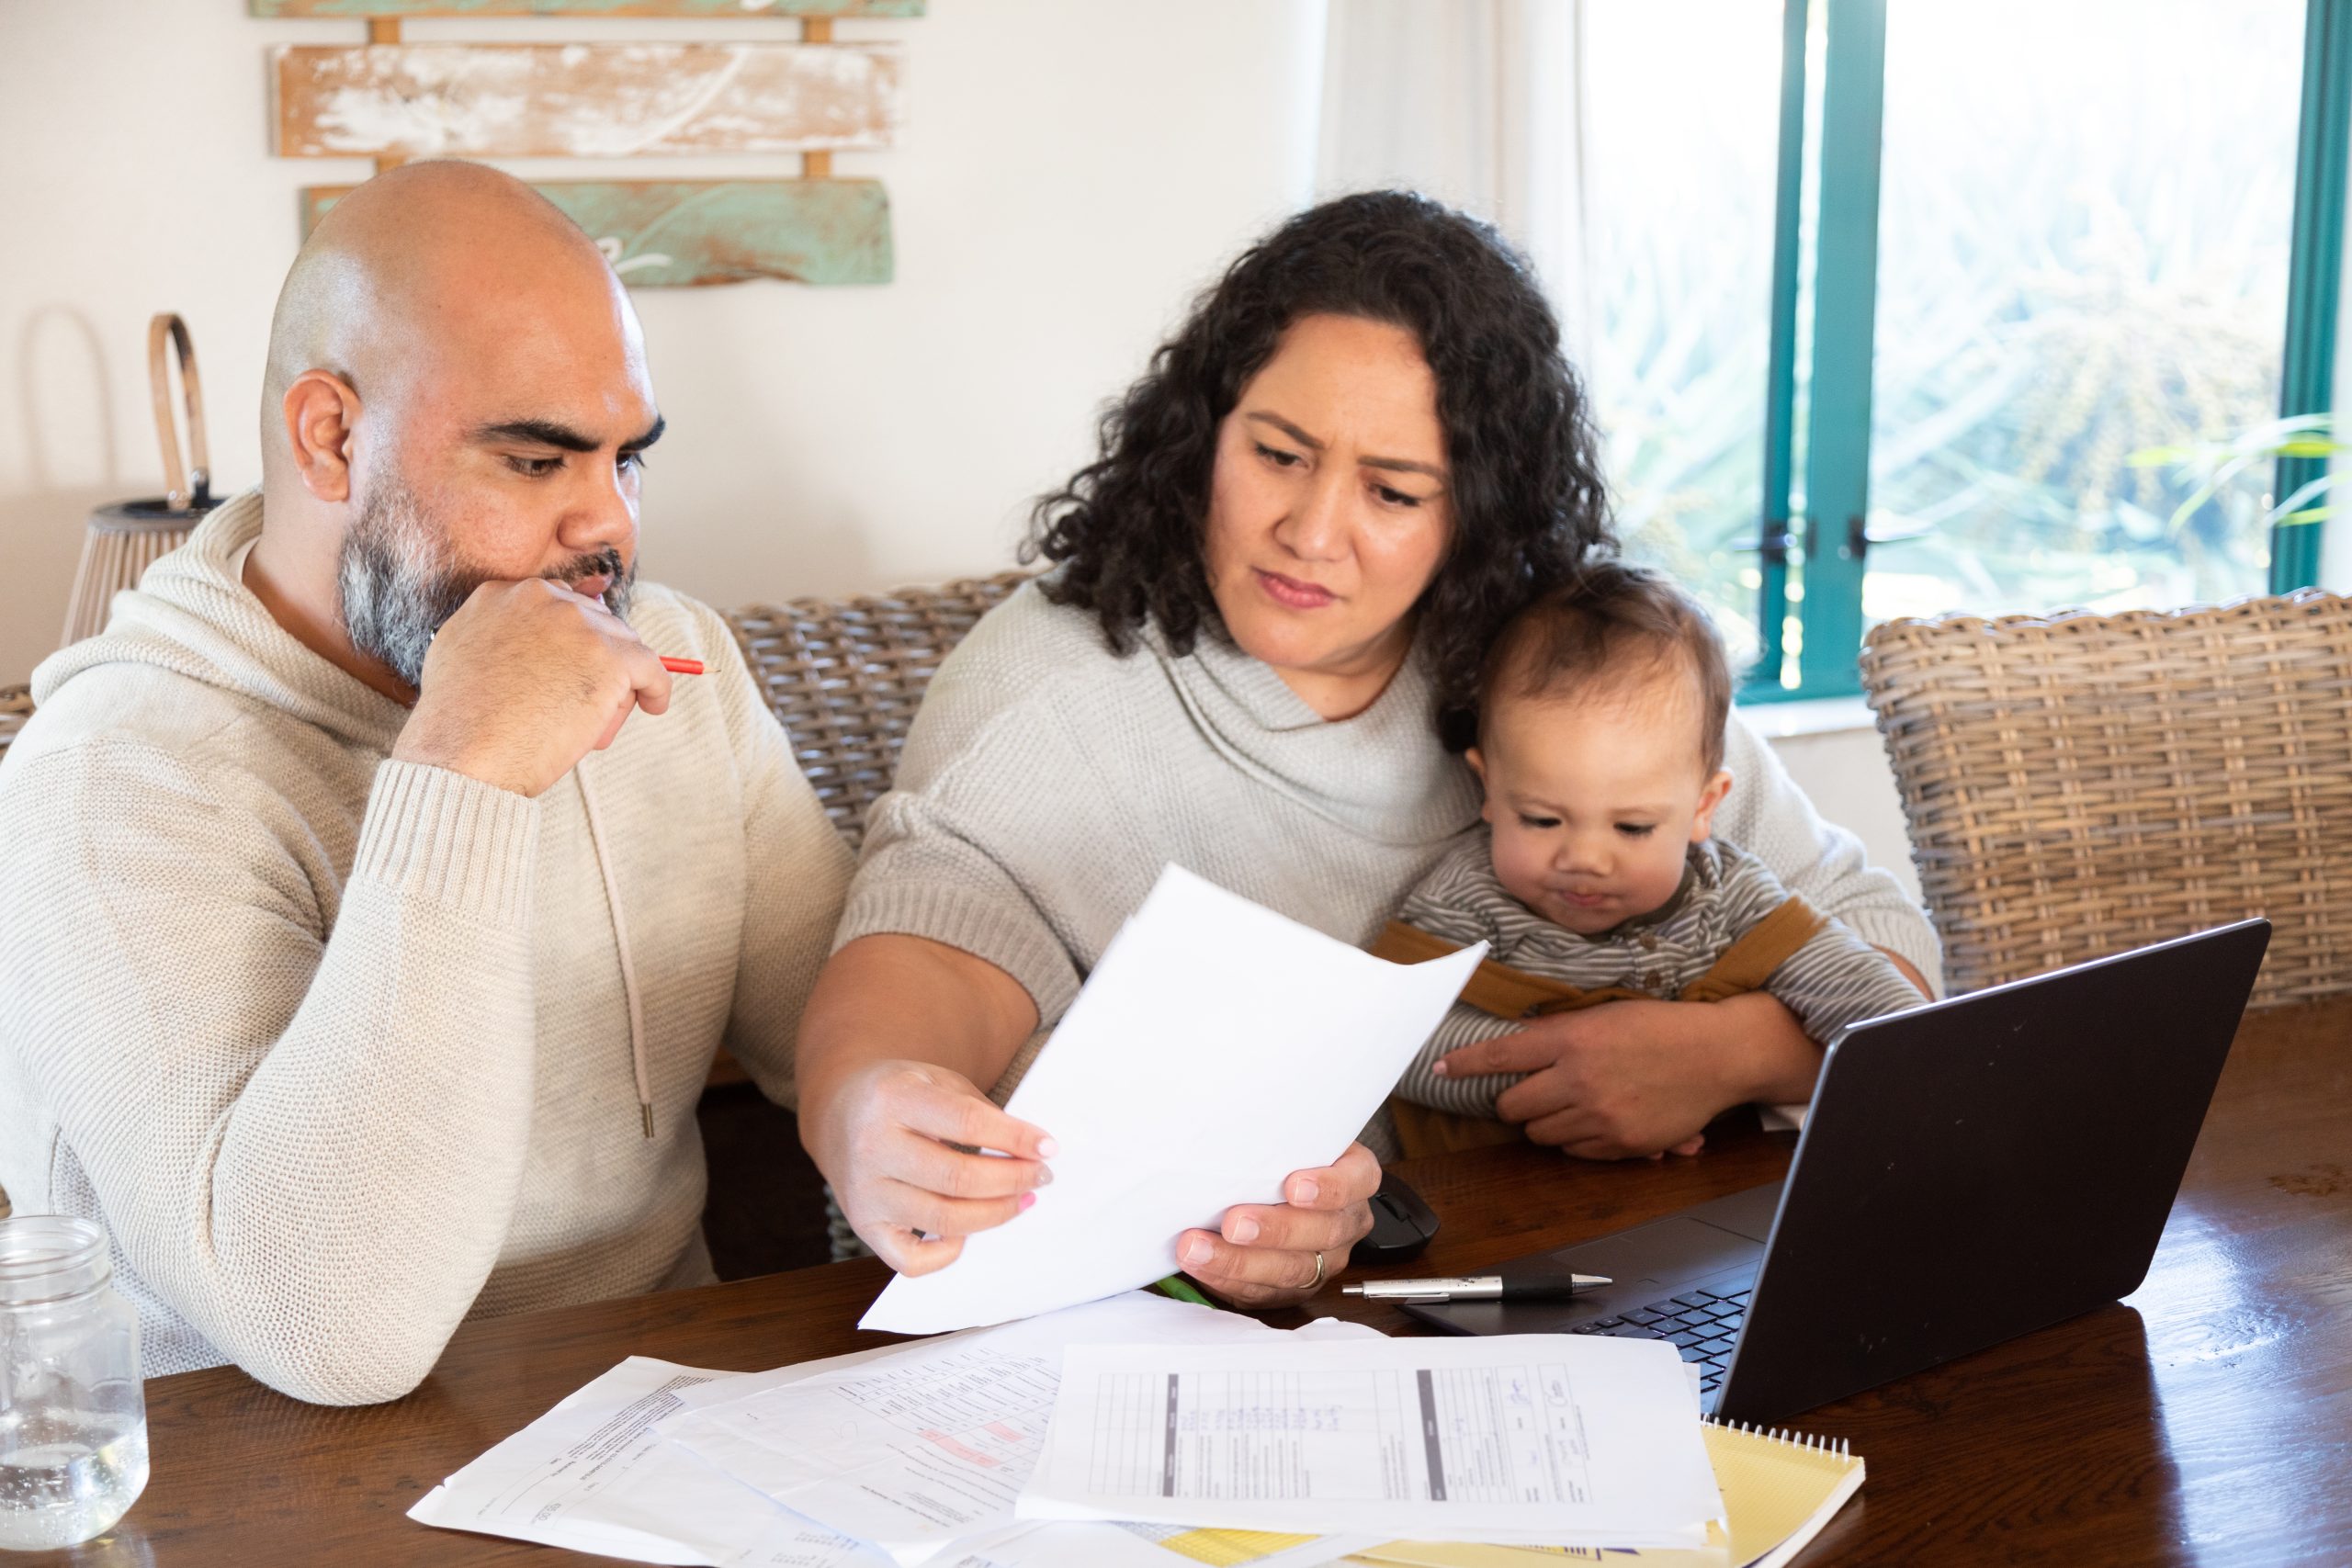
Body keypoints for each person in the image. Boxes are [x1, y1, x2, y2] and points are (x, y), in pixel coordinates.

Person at [793, 191, 1939, 1309]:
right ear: (1202, 431)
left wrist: (1735, 1055)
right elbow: (937, 938)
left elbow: (1888, 954)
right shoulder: (1048, 685)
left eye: (1393, 491)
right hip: (1257, 1315)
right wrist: (867, 1104)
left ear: (1479, 514)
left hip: (1626, 1262)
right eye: (1279, 454)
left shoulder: (1566, 663)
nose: (1311, 531)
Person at [0, 162, 853, 1404]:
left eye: (627, 459)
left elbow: (837, 1018)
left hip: (663, 1423)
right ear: (331, 437)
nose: (608, 524)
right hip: (264, 1485)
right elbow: (334, 1330)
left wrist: (929, 1100)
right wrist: (464, 771)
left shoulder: (677, 663)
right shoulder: (106, 783)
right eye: (534, 461)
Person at [1379, 562, 1928, 1154]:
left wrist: (1930, 1072)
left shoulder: (1732, 894)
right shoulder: (1466, 894)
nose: (1585, 858)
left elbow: (1860, 993)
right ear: (1488, 789)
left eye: (1633, 827)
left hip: (1697, 1201)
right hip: (1492, 1204)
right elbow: (1389, 1041)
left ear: (1704, 805)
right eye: (1540, 819)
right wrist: (1567, 1080)